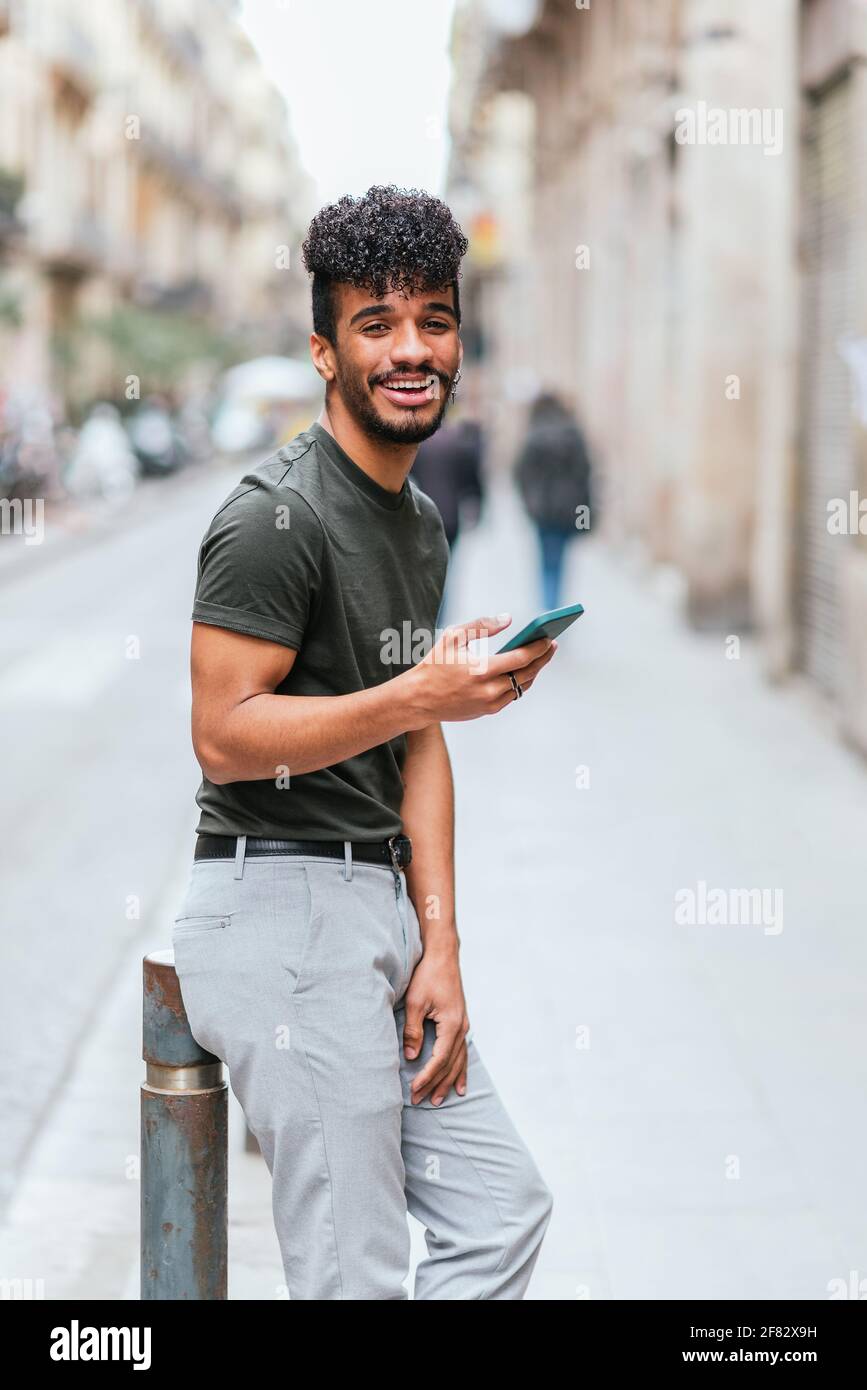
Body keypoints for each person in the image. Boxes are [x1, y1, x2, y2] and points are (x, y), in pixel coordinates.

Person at [172, 185, 556, 1300]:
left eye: (433, 320)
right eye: (376, 324)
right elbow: (224, 738)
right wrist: (416, 691)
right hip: (279, 912)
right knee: (356, 1277)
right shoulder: (269, 519)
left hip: (378, 909)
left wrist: (441, 946)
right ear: (324, 352)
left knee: (500, 1213)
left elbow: (417, 740)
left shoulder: (419, 519)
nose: (411, 349)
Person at [513, 391, 594, 611]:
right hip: (568, 511)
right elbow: (585, 478)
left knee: (546, 561)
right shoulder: (573, 436)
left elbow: (521, 475)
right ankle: (554, 605)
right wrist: (585, 520)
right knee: (560, 561)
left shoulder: (534, 436)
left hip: (543, 512)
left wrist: (530, 504)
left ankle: (548, 607)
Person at [409, 409, 484, 625]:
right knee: (444, 571)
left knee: (423, 571)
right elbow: (473, 482)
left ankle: (426, 618)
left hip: (420, 516)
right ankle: (439, 622)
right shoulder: (458, 443)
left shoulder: (418, 445)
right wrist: (478, 507)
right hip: (451, 519)